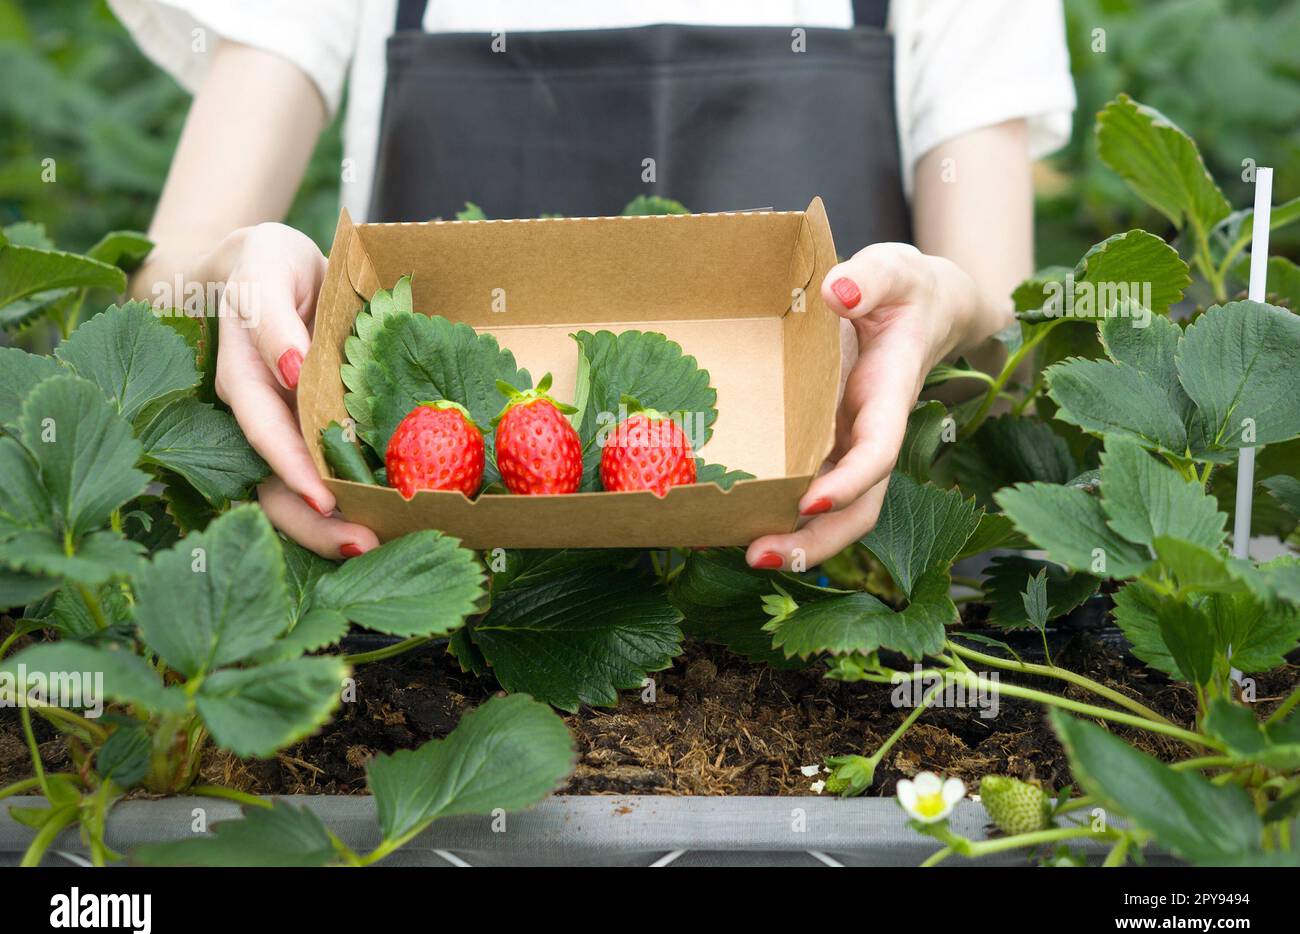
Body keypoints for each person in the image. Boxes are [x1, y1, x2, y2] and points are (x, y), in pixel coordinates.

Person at [110, 0, 1075, 568]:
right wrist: (239, 271)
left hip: (818, 589)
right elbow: (166, 287)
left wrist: (943, 304)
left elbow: (1000, 327)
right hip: (425, 603)